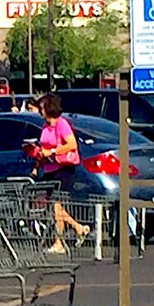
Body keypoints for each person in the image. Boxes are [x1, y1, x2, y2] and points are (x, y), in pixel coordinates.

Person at [35, 94, 90, 253]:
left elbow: (71, 144)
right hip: (49, 168)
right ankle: (78, 228)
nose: (40, 110)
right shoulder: (46, 126)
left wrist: (53, 150)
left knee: (56, 206)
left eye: (42, 107)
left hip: (63, 168)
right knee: (53, 206)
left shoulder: (62, 124)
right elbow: (44, 147)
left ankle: (59, 242)